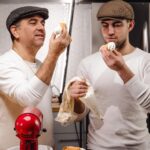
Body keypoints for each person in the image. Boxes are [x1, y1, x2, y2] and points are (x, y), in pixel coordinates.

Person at [65, 0, 150, 149]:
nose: (110, 32)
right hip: (98, 146)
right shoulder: (87, 63)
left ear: (130, 25)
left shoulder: (145, 60)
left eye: (117, 24)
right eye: (105, 25)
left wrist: (122, 69)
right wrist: (75, 99)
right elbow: (80, 115)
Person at [0, 6, 71, 150]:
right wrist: (53, 54)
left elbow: (43, 108)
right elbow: (27, 99)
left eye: (42, 23)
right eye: (33, 22)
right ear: (15, 31)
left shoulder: (40, 65)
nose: (41, 27)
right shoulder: (4, 63)